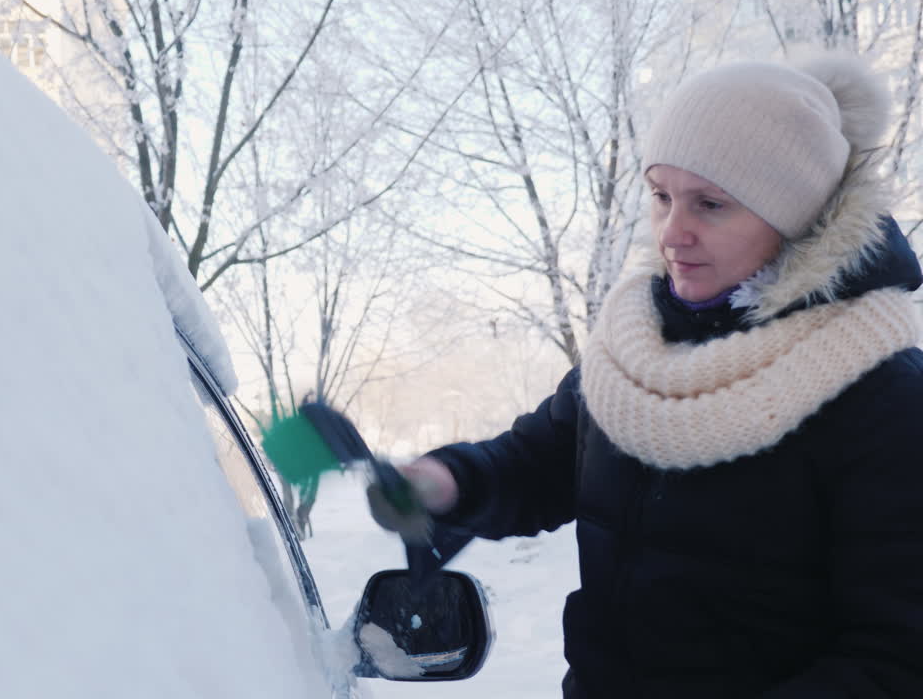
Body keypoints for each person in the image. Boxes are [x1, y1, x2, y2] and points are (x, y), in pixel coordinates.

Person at [368, 52, 923, 698]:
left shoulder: (883, 398)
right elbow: (539, 460)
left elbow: (897, 658)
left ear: (795, 215)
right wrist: (445, 482)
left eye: (710, 204)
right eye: (661, 196)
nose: (672, 233)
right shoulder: (634, 351)